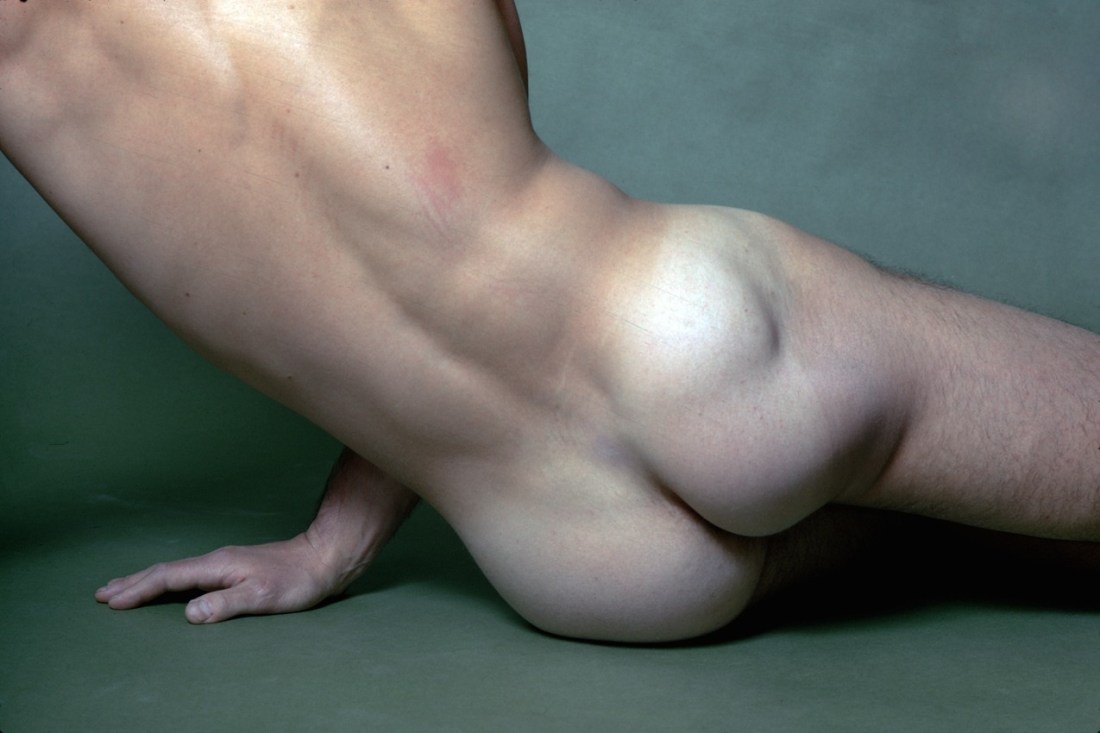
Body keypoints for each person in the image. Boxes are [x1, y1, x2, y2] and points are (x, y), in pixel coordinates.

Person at [1, 1, 1097, 643]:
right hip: (688, 343)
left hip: (570, 555)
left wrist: (329, 549)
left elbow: (391, 299)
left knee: (952, 537)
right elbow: (452, 235)